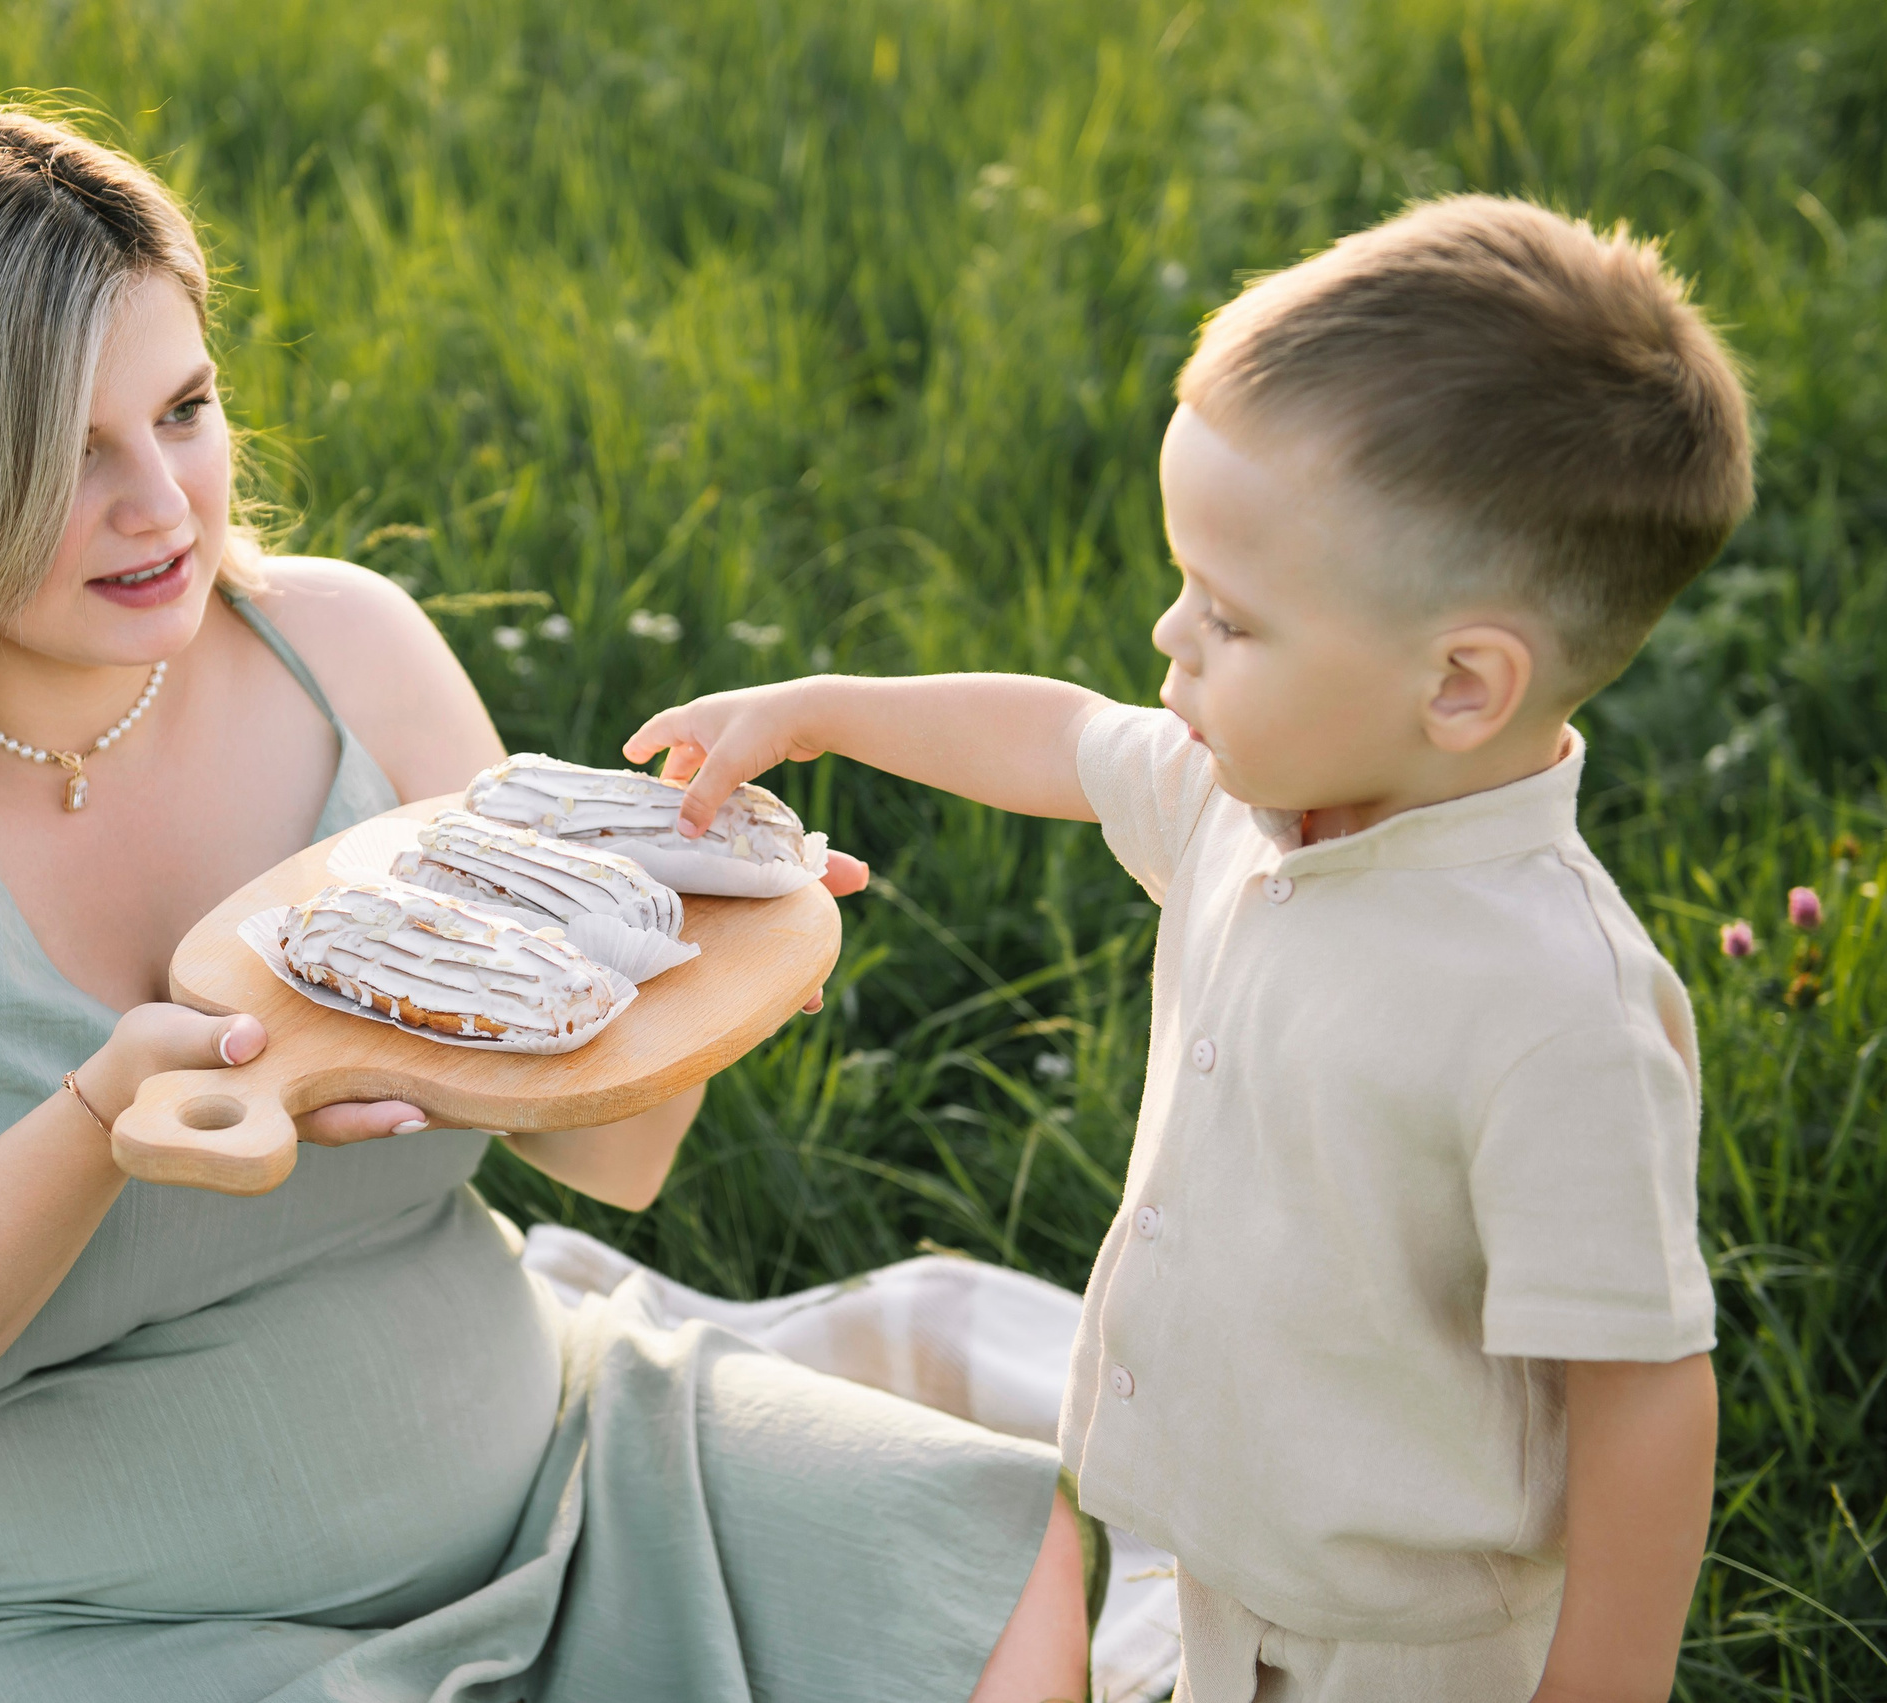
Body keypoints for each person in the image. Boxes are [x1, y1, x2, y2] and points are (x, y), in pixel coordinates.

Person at [0, 101, 1092, 1701]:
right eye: (65, 454)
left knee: (989, 1560)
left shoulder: (343, 648)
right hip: (3, 1618)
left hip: (547, 1483)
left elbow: (609, 1160)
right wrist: (99, 1123)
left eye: (185, 410)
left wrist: (699, 961)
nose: (162, 504)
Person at [628, 195, 1749, 1702]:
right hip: (1229, 1566)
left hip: (1410, 1640)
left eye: (1228, 616)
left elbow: (1643, 1395)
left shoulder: (1554, 1012)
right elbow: (1065, 738)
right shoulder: (1255, 799)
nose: (1169, 638)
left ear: (1461, 686)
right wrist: (823, 711)